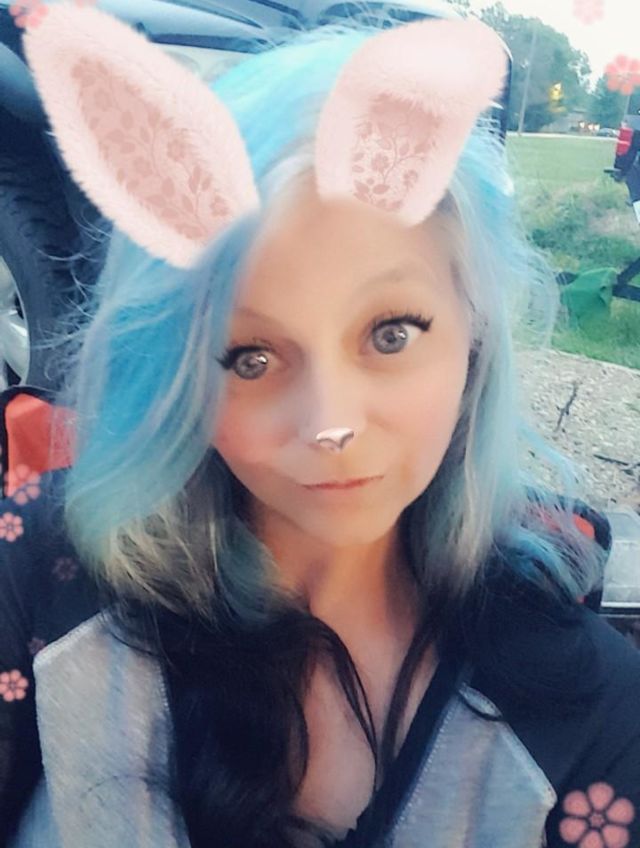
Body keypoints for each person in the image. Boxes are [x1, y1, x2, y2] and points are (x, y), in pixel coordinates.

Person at [0, 3, 639, 847]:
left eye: (391, 334)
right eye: (251, 357)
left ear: (475, 334)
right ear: (177, 371)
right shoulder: (47, 571)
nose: (330, 424)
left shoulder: (586, 707)